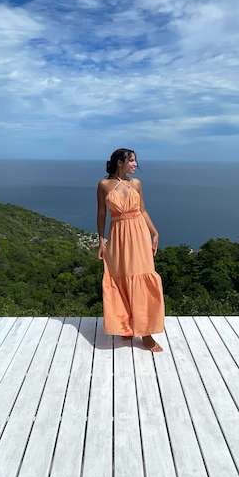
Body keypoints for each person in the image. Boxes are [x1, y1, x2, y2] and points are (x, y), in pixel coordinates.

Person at [97, 148, 165, 352]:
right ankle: (126, 326)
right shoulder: (103, 185)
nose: (136, 164)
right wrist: (101, 240)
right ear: (120, 162)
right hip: (118, 236)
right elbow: (101, 214)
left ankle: (146, 334)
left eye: (135, 161)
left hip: (139, 234)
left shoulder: (136, 184)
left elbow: (143, 210)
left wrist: (154, 233)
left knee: (142, 278)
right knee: (121, 278)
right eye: (132, 160)